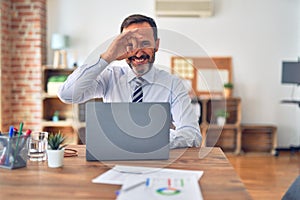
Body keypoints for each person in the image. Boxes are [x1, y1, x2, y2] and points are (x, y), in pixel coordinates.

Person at [57, 14, 202, 149]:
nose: (138, 53)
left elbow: (192, 135)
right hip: (114, 161)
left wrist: (150, 140)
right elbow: (67, 95)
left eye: (145, 43)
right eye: (131, 45)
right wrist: (108, 56)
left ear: (156, 45)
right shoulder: (109, 77)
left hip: (157, 161)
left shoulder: (172, 84)